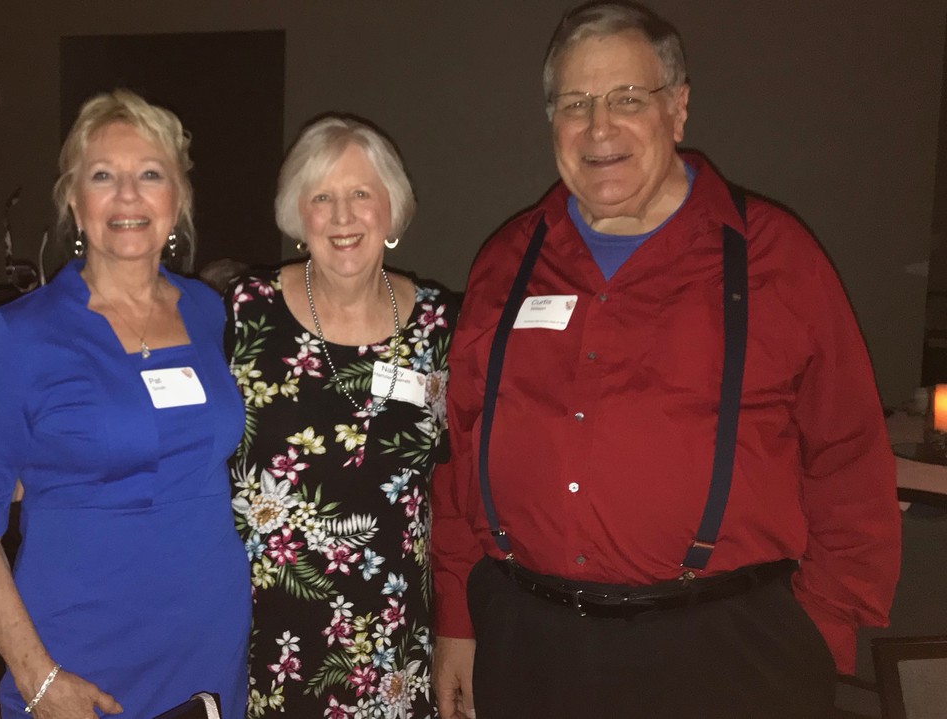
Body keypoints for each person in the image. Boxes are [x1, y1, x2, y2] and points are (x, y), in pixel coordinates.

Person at [430, 3, 901, 718]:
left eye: (627, 98)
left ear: (677, 109)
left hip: (726, 656)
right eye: (575, 103)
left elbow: (849, 454)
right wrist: (458, 617)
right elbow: (460, 452)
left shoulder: (777, 257)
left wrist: (821, 632)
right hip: (528, 646)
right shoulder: (506, 261)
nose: (599, 128)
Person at [0, 89, 250, 718]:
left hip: (211, 642)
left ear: (178, 199)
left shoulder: (208, 311)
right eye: (103, 176)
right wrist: (38, 678)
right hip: (79, 657)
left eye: (150, 174)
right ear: (74, 202)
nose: (128, 195)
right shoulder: (22, 334)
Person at [226, 115, 457, 718]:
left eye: (360, 194)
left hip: (394, 639)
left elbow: (458, 482)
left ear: (392, 207)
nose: (343, 216)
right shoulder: (244, 313)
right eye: (322, 197)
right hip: (269, 636)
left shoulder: (439, 325)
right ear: (298, 215)